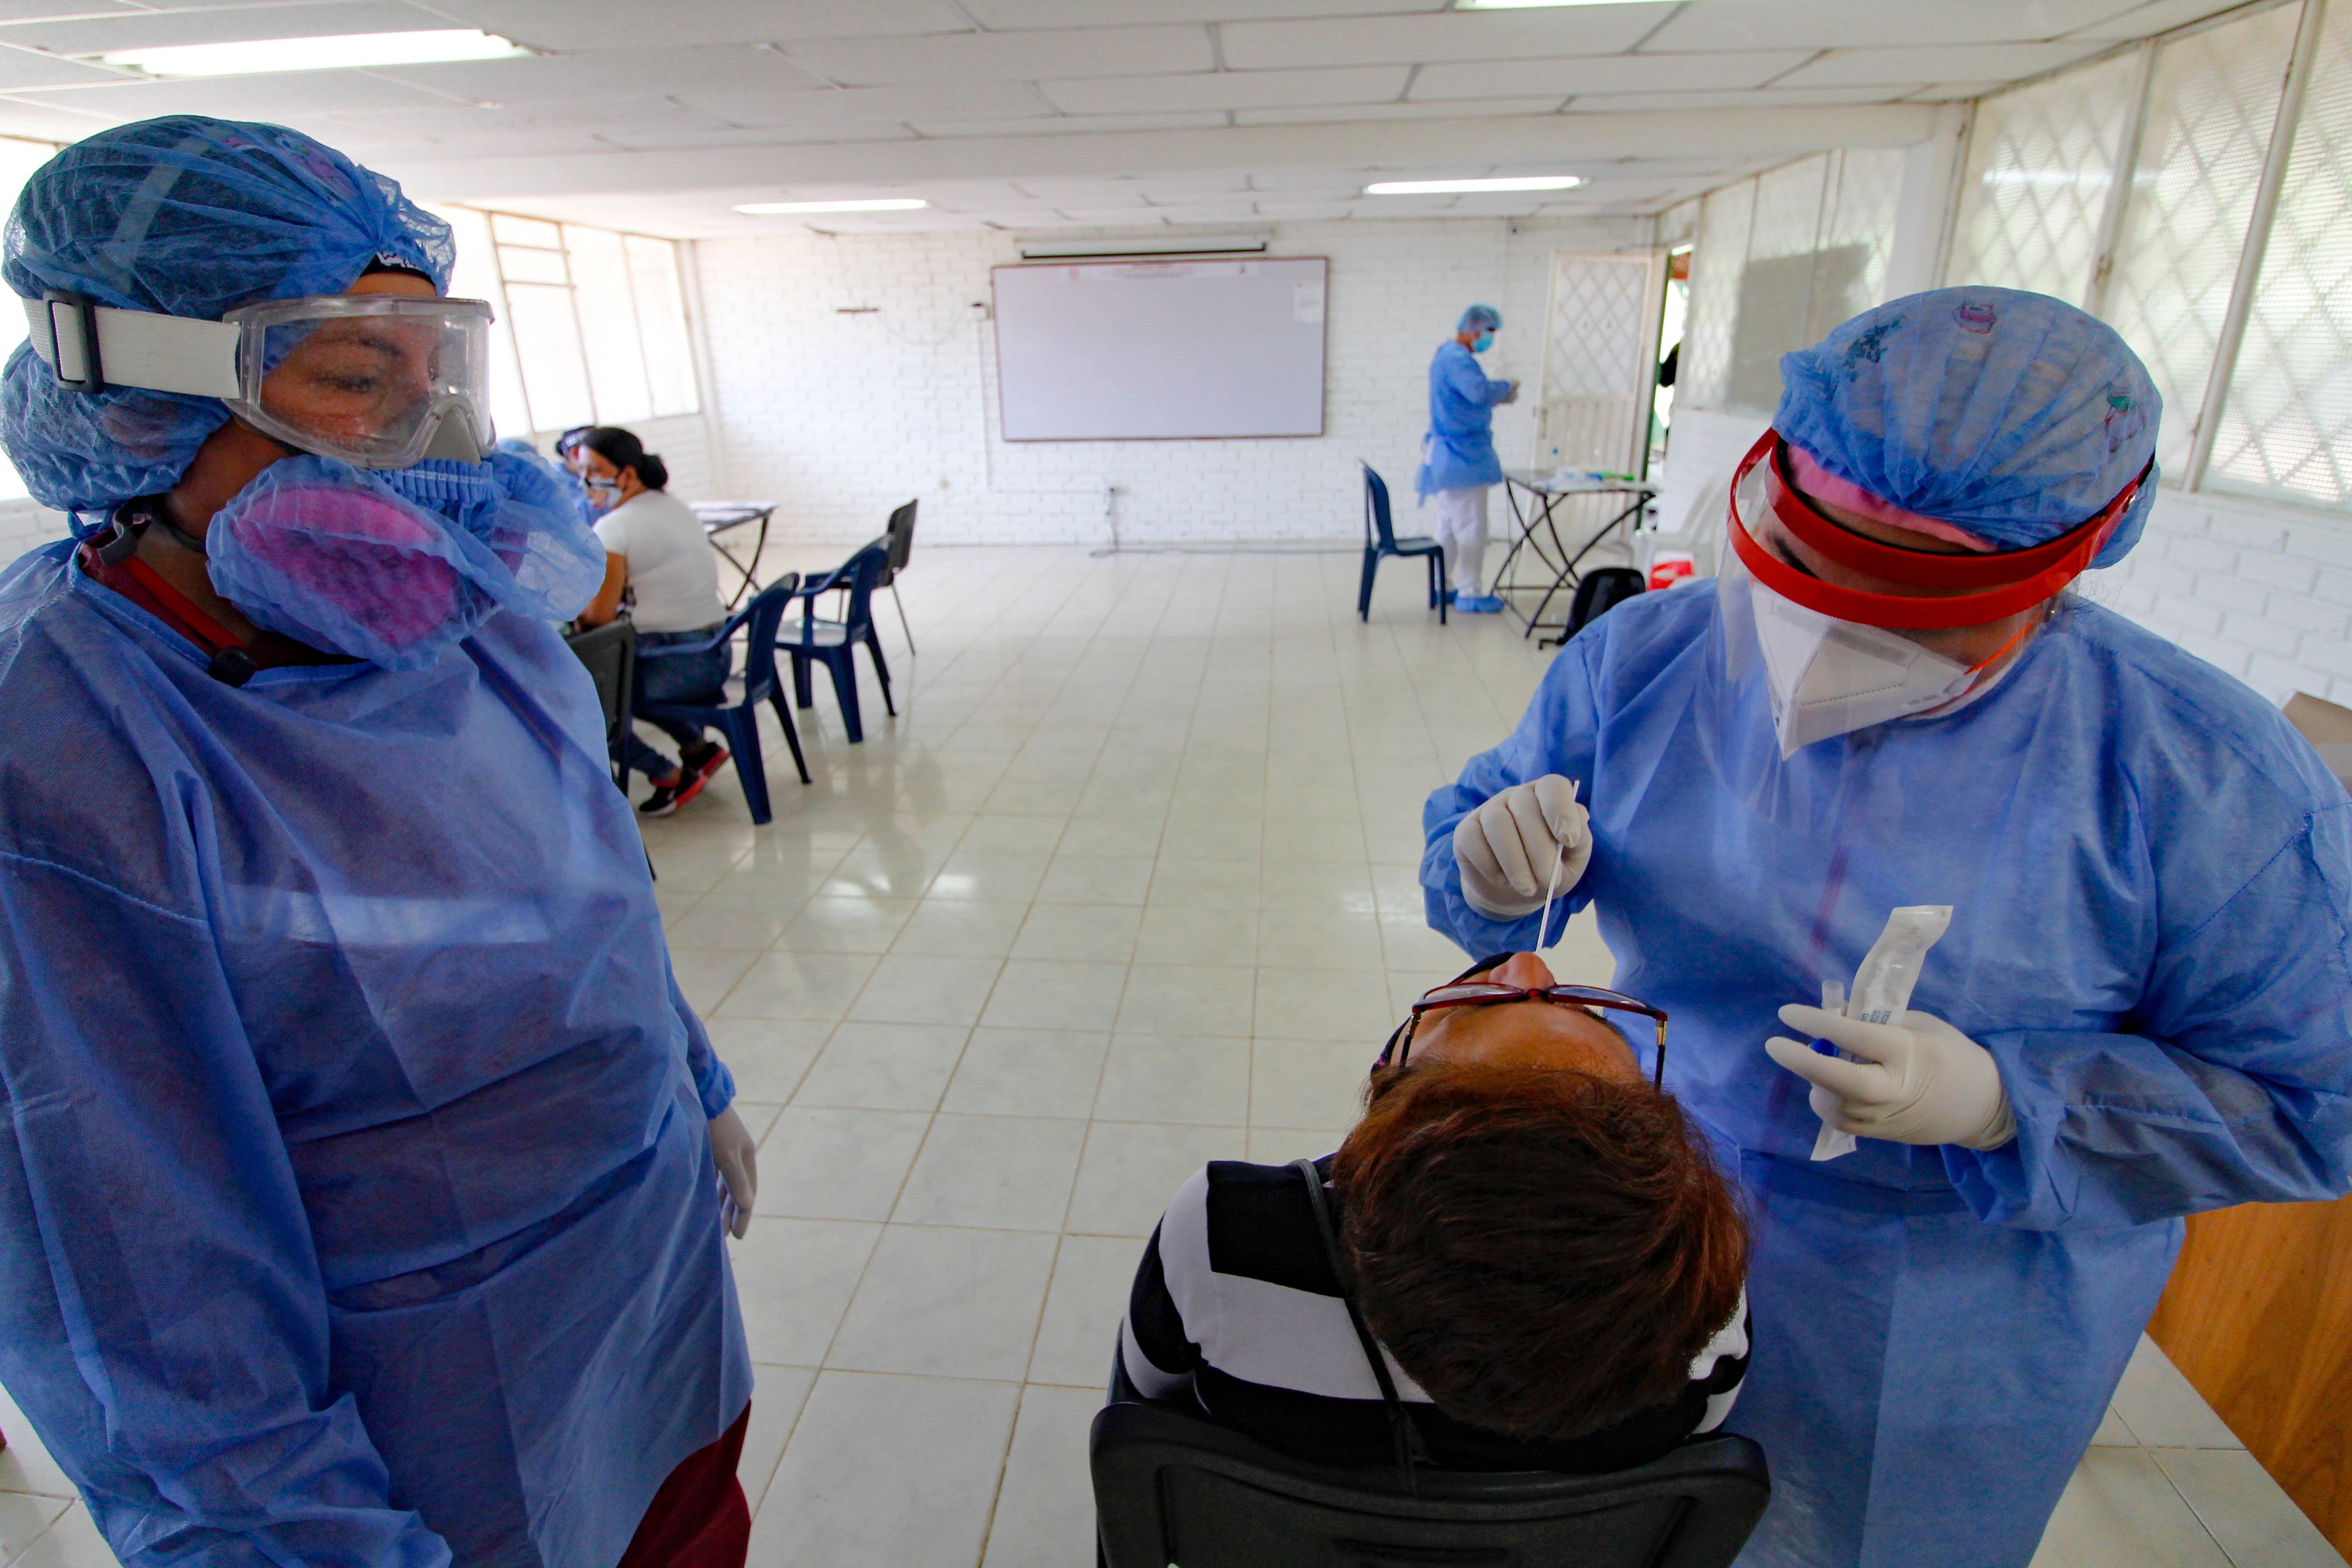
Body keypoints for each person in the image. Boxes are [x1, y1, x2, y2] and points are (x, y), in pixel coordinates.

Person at [1420, 287, 2352, 1567]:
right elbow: (1484, 852)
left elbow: (2313, 1097)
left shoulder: (2201, 775)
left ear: (2067, 563)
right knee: (1627, 1520)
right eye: (1808, 576)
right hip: (1648, 1216)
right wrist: (1483, 860)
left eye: (1911, 610)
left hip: (1954, 1296)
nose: (1825, 648)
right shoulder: (1648, 660)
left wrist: (2010, 1101)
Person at [0, 116, 760, 1568]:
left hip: (663, 1346)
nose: (434, 443)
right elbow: (144, 1313)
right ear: (137, 394)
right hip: (439, 1469)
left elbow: (595, 906)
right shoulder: (62, 760)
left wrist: (690, 1077)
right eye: (358, 380)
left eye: (438, 373)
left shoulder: (470, 627)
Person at [1122, 950, 1750, 1473]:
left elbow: (1146, 1416)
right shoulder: (1705, 1311)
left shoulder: (1227, 1233)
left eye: (1479, 1007)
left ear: (1387, 1088)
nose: (1531, 967)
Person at [572, 424, 733, 817]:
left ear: (627, 475)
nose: (584, 481)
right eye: (579, 470)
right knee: (623, 669)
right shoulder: (670, 504)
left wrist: (572, 606)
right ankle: (699, 749)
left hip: (675, 664)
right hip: (714, 651)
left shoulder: (614, 527)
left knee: (584, 700)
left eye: (593, 470)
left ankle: (667, 775)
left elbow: (597, 618)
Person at [1416, 303, 1519, 615]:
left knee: (1448, 527)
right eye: (1489, 332)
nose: (1490, 339)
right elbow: (1477, 392)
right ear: (1473, 329)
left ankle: (1443, 586)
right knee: (1471, 528)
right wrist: (1506, 389)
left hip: (1449, 459)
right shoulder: (1457, 359)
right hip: (1462, 460)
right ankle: (1470, 592)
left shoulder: (1446, 355)